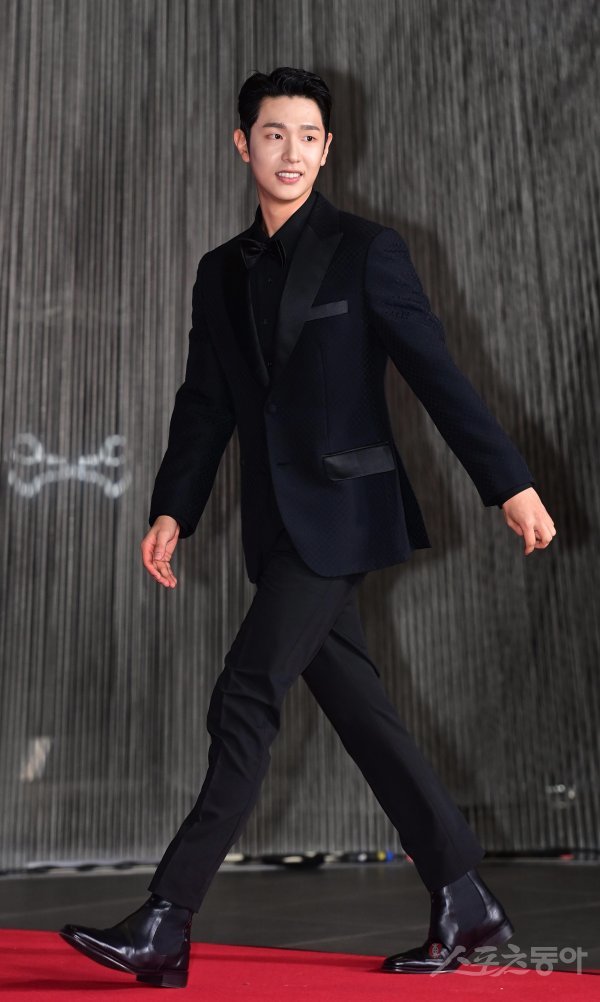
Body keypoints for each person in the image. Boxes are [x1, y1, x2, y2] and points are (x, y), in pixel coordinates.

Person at [60, 66, 556, 988]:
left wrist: (509, 486)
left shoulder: (368, 251)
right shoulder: (219, 272)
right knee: (363, 716)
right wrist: (174, 507)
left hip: (346, 516)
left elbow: (436, 373)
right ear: (242, 144)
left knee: (245, 695)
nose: (291, 152)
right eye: (273, 134)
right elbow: (204, 405)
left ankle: (167, 919)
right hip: (276, 528)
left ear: (328, 150)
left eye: (308, 136)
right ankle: (464, 895)